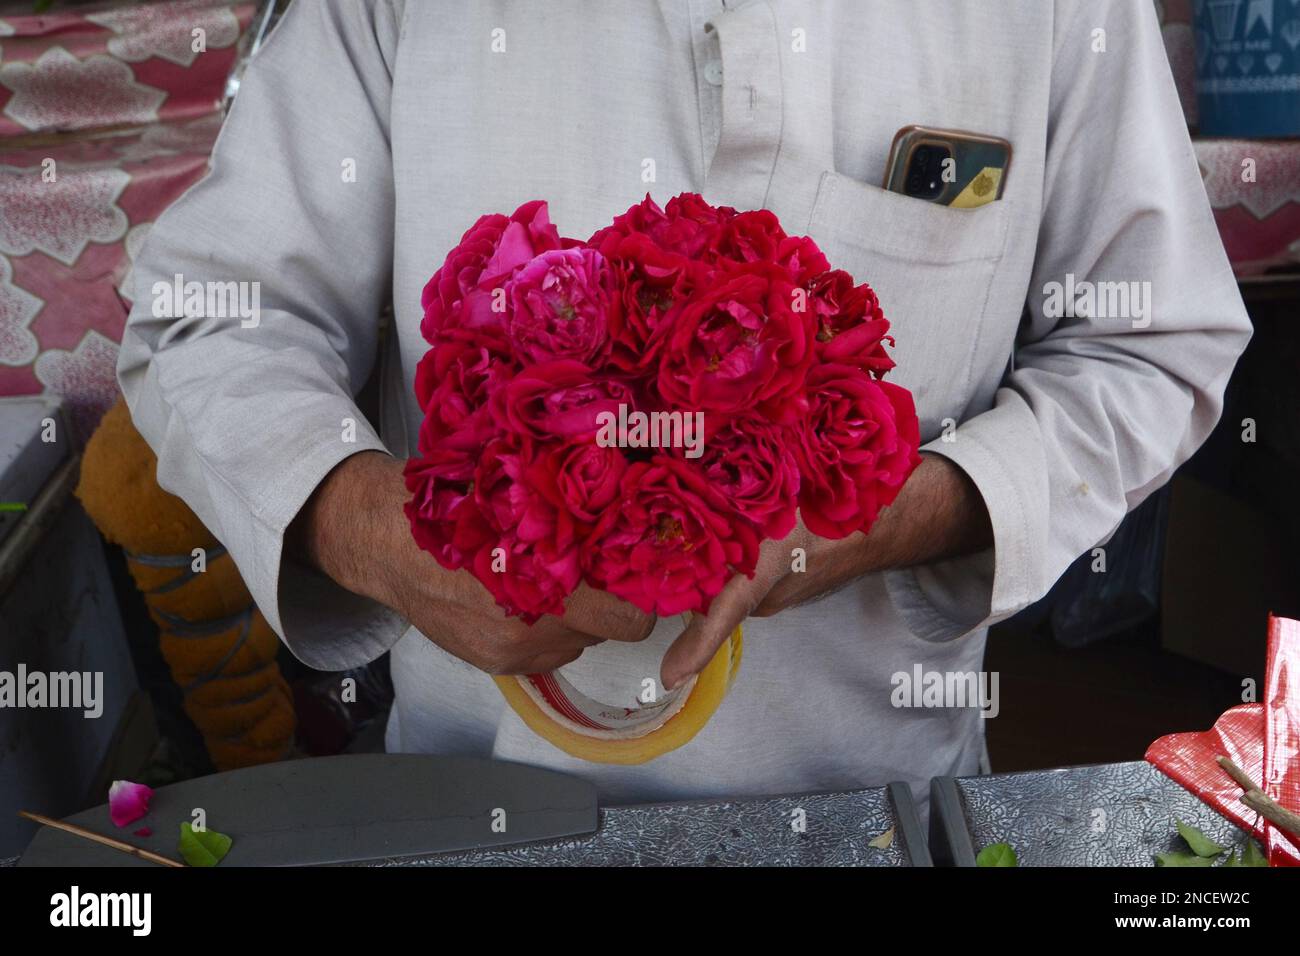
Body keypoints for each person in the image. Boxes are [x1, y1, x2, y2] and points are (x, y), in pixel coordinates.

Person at [118, 0, 1250, 806]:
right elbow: (208, 320)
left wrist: (885, 515)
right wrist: (380, 531)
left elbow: (1149, 340)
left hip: (871, 811)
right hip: (466, 804)